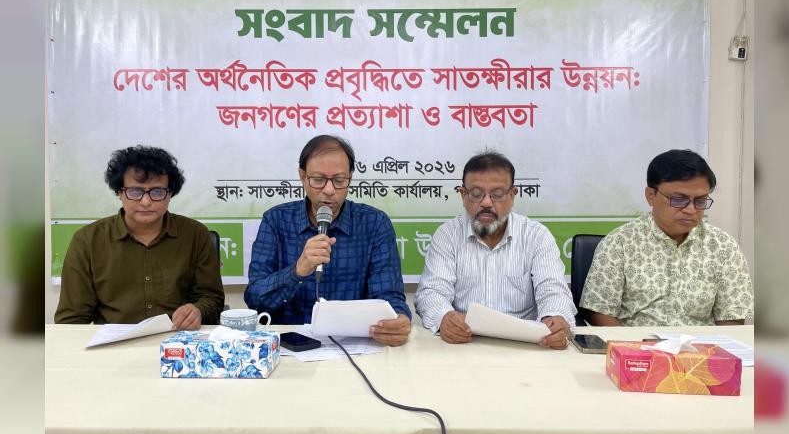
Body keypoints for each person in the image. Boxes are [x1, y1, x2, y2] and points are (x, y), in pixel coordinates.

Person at [244, 135, 412, 346]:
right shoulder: (276, 221)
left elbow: (389, 296)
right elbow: (254, 298)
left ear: (350, 177)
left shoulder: (374, 223)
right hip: (290, 347)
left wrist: (398, 319)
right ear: (303, 176)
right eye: (318, 180)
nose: (329, 190)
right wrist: (297, 271)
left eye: (339, 180)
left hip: (355, 345)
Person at [415, 151, 576, 349]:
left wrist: (555, 318)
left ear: (512, 195)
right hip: (465, 343)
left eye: (497, 194)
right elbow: (432, 291)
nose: (486, 203)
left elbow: (553, 290)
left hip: (524, 345)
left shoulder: (536, 236)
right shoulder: (447, 235)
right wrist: (444, 317)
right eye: (476, 194)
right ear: (463, 195)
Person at [55, 145, 225, 329]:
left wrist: (198, 310)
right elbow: (71, 320)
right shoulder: (87, 241)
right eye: (135, 192)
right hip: (113, 343)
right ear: (119, 192)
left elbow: (212, 299)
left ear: (170, 194)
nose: (146, 201)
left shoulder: (195, 234)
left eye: (157, 192)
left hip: (177, 339)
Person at [580, 149, 754, 326]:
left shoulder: (724, 247)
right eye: (679, 199)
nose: (691, 210)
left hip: (701, 343)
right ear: (651, 196)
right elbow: (599, 311)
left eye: (700, 201)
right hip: (636, 342)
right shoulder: (619, 243)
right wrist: (630, 343)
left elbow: (732, 317)